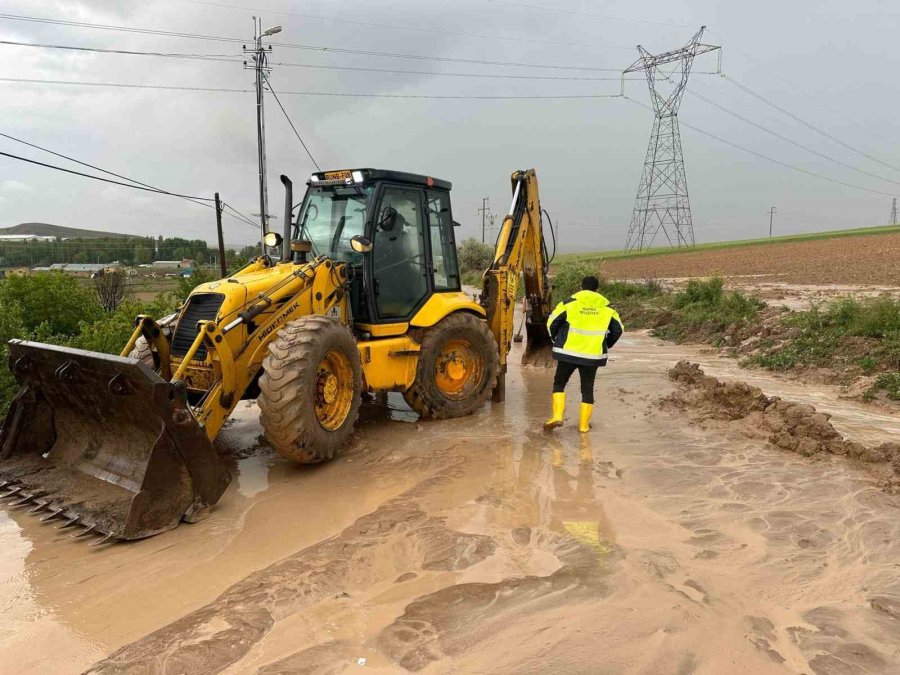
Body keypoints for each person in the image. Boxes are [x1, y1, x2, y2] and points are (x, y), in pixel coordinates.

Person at [544, 276, 624, 433]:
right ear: (597, 289)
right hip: (592, 355)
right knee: (587, 389)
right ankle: (583, 426)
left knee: (559, 384)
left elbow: (551, 323)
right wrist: (605, 344)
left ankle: (557, 416)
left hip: (567, 352)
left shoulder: (569, 303)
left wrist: (557, 340)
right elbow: (618, 330)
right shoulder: (607, 308)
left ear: (581, 287)